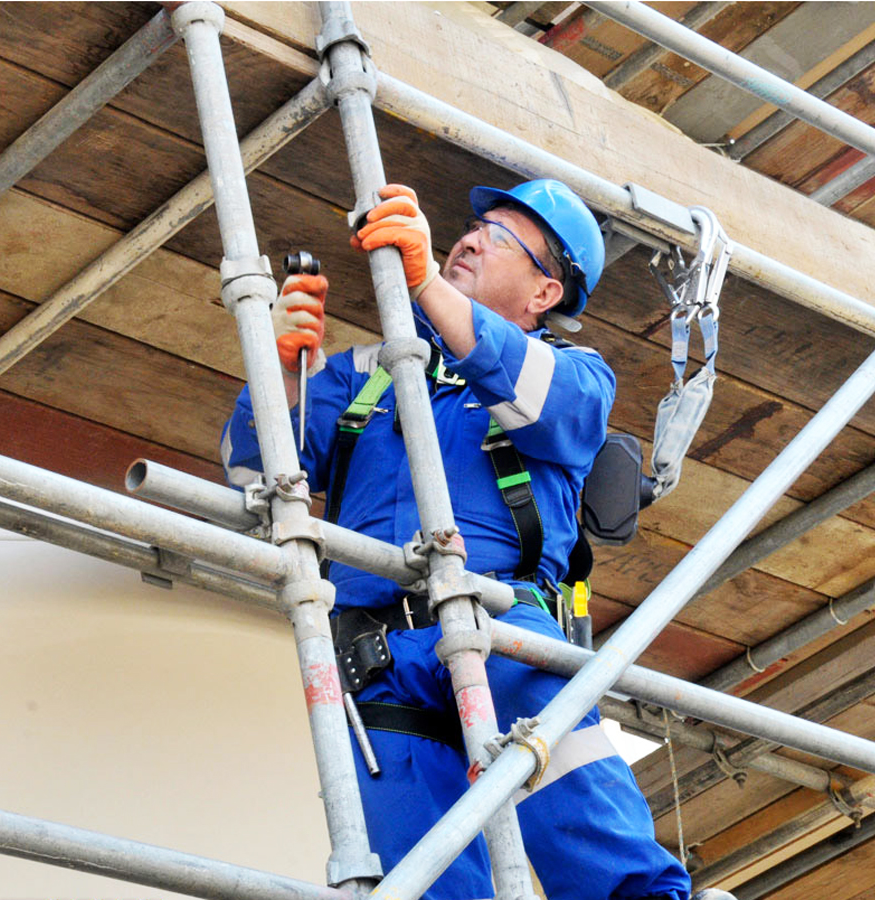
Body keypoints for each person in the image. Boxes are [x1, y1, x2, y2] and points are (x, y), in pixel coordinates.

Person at [222, 180, 692, 900]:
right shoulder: (366, 375)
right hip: (377, 657)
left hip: (502, 628)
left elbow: (537, 395)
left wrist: (427, 287)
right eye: (472, 227)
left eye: (499, 237)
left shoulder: (575, 375)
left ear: (545, 293)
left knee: (593, 840)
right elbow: (253, 473)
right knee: (419, 880)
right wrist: (285, 371)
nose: (469, 239)